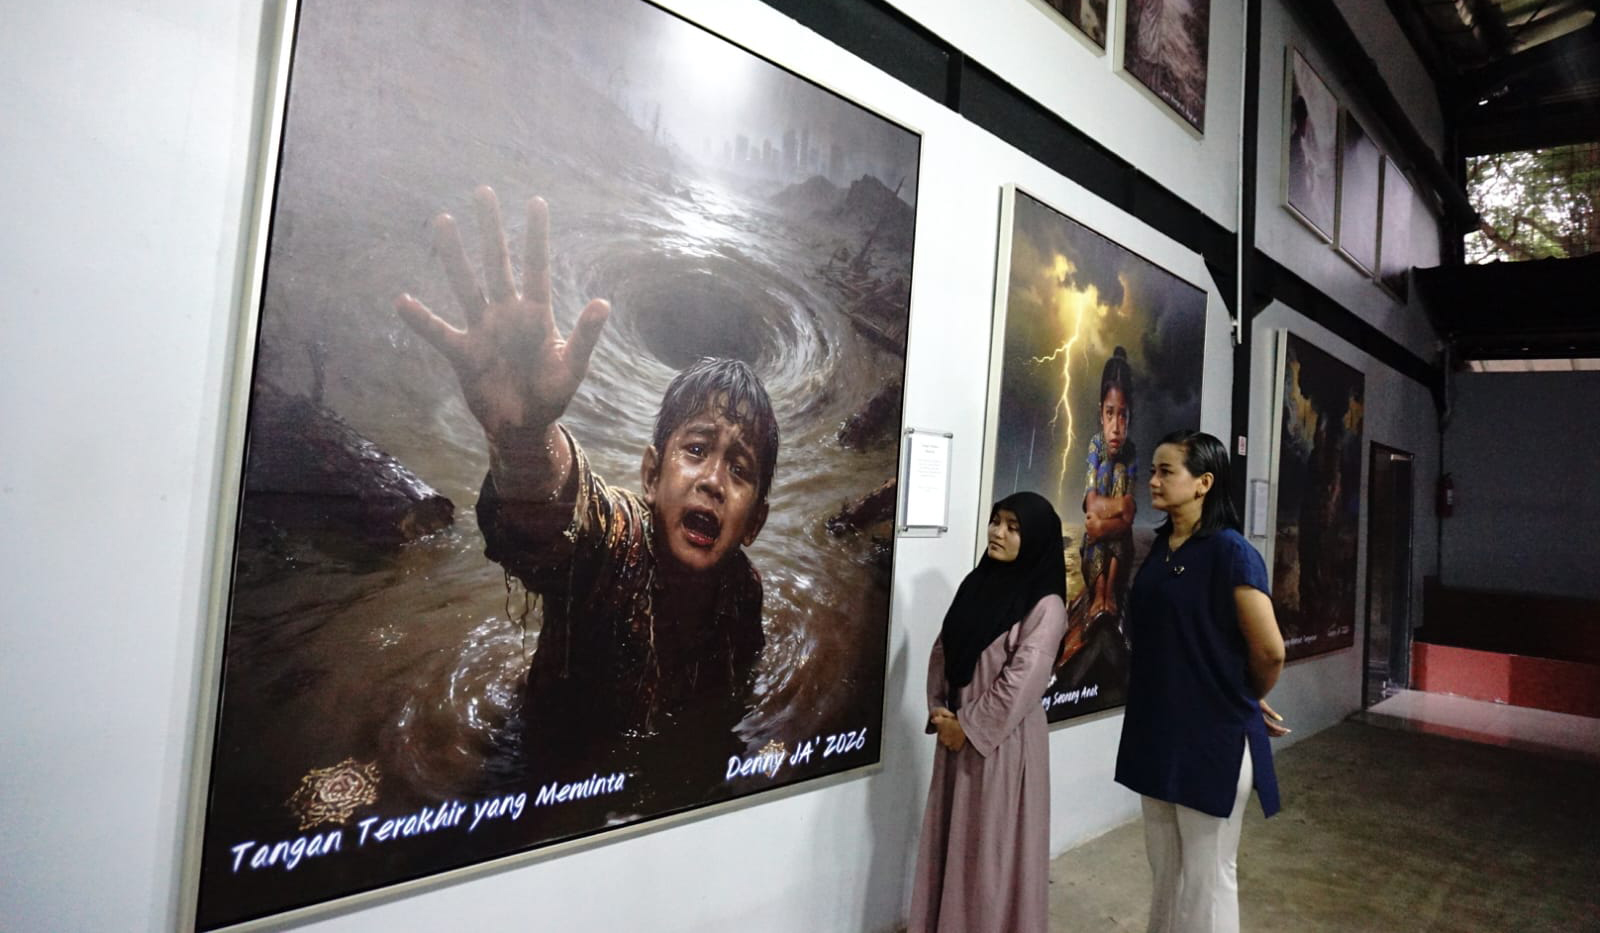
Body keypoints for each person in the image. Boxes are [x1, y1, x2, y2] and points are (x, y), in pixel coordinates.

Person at [394, 186, 778, 761]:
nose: (714, 481)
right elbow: (556, 522)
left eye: (740, 468)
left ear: (755, 522)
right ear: (651, 475)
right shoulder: (616, 540)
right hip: (541, 764)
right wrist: (522, 439)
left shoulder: (742, 594)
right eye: (696, 449)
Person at [1115, 430, 1289, 933]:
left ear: (1203, 483)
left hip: (1211, 736)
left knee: (1207, 878)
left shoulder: (1231, 552)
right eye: (1151, 469)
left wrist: (1243, 697)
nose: (1152, 480)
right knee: (1166, 871)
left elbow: (1270, 650)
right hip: (1155, 726)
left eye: (1166, 471)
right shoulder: (1158, 548)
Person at [909, 492, 1069, 933]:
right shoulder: (976, 584)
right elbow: (944, 648)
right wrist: (940, 709)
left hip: (1002, 746)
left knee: (991, 853)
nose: (998, 533)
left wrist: (969, 727)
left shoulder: (1046, 606)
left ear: (1035, 539)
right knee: (954, 842)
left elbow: (1024, 679)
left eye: (1014, 527)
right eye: (996, 522)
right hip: (956, 735)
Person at [1082, 346, 1137, 623]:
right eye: (1110, 413)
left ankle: (1110, 593)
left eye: (1123, 415)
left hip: (1117, 548)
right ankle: (1099, 591)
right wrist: (1117, 509)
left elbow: (1128, 519)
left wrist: (1103, 525)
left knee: (1117, 472)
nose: (1116, 426)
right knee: (1107, 470)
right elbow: (1092, 504)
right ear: (1101, 413)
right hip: (1094, 545)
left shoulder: (1131, 453)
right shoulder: (1095, 444)